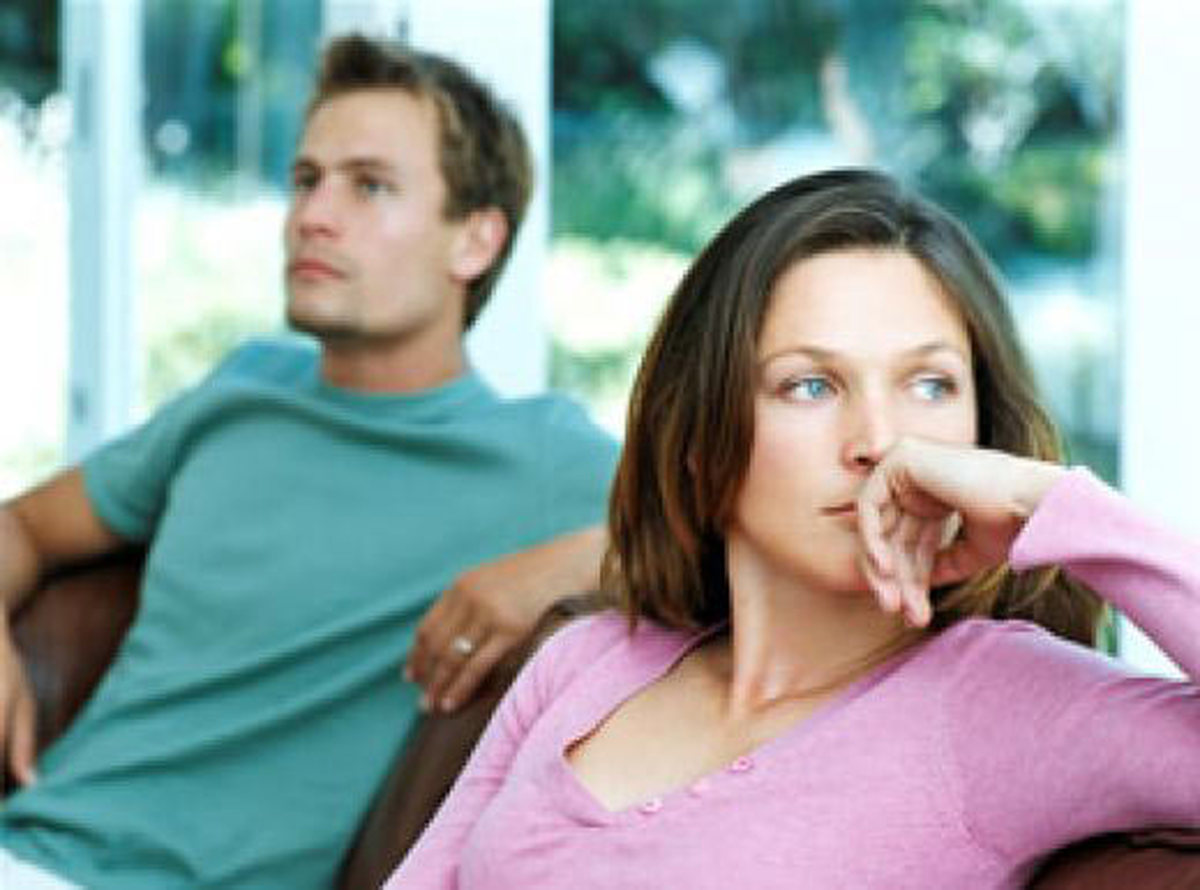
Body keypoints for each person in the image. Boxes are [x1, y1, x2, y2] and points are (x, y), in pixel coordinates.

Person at [388, 168, 1200, 888]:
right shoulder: (586, 659)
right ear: (701, 442)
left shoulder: (1005, 704)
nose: (878, 441)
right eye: (811, 386)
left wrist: (1040, 503)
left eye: (930, 385)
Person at [0, 34, 616, 890]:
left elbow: (735, 542)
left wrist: (572, 562)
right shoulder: (243, 389)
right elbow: (24, 526)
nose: (312, 216)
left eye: (369, 186)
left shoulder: (539, 454)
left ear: (474, 241)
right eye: (305, 179)